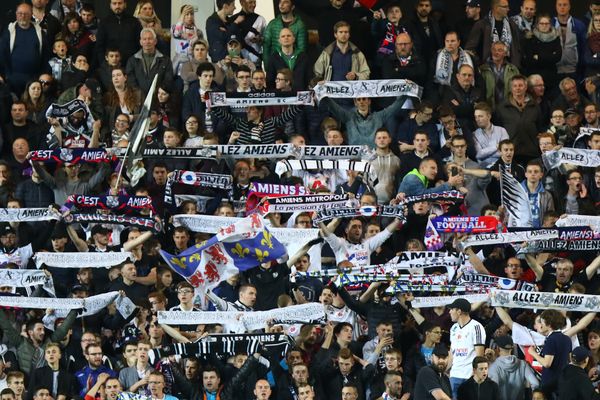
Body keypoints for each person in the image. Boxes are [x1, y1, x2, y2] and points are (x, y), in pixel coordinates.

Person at [527, 309, 572, 397]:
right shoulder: (567, 339)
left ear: (549, 325)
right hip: (563, 383)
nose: (540, 326)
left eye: (542, 322)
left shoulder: (551, 339)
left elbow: (547, 363)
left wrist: (532, 353)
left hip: (550, 385)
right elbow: (570, 361)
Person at [447, 298, 486, 398]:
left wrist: (476, 377)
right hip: (454, 376)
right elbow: (452, 353)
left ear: (459, 311)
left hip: (469, 376)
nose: (449, 311)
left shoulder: (476, 327)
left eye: (452, 309)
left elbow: (479, 356)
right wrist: (446, 371)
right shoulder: (453, 328)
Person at [466, 0, 521, 68]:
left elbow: (517, 47)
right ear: (495, 8)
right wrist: (481, 64)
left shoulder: (512, 25)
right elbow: (470, 49)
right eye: (505, 7)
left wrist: (516, 64)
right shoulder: (481, 25)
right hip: (487, 69)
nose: (508, 9)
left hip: (509, 69)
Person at [487, 335, 539, 400]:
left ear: (498, 348)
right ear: (512, 348)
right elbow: (536, 383)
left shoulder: (494, 367)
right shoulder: (523, 364)